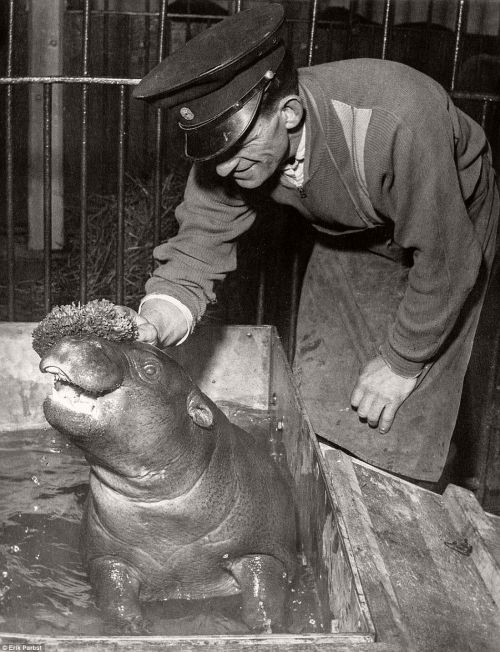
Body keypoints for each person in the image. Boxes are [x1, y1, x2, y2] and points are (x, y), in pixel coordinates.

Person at [123, 3, 499, 485]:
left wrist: (402, 364)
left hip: (447, 225)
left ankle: (398, 511)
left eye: (236, 148)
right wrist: (154, 321)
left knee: (400, 418)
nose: (221, 169)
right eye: (214, 152)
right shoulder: (232, 159)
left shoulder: (396, 122)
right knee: (320, 404)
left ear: (291, 113)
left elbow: (447, 264)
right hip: (349, 228)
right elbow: (197, 249)